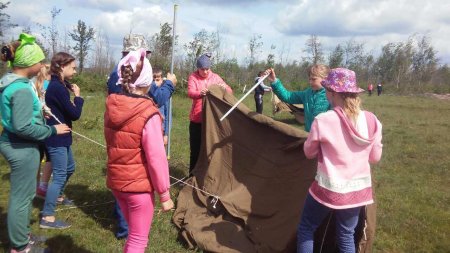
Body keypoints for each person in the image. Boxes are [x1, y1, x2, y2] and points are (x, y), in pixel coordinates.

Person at [297, 68, 383, 253]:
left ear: (333, 92)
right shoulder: (372, 120)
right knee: (346, 235)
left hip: (328, 189)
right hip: (358, 191)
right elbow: (375, 158)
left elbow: (309, 153)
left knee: (306, 228)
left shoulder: (323, 120)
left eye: (327, 88)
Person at [0, 33, 70, 253]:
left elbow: (20, 119)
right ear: (30, 63)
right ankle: (20, 247)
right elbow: (22, 127)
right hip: (21, 148)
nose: (42, 65)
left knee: (25, 194)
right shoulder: (20, 89)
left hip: (18, 144)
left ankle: (22, 236)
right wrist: (51, 129)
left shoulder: (15, 83)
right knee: (22, 199)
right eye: (40, 61)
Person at [104, 48, 174, 253]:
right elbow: (156, 157)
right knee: (138, 240)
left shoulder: (112, 105)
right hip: (138, 187)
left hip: (117, 183)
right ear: (148, 81)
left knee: (133, 236)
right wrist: (164, 194)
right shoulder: (148, 113)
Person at [40, 52, 84, 229]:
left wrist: (69, 87)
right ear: (61, 67)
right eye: (72, 67)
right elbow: (74, 114)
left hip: (62, 136)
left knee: (70, 167)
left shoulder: (59, 83)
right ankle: (47, 217)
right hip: (56, 138)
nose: (74, 71)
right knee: (58, 176)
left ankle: (57, 196)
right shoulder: (57, 87)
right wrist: (78, 97)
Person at [187, 53, 232, 173]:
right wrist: (200, 93)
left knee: (210, 149)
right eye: (202, 69)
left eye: (207, 69)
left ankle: (206, 175)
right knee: (195, 150)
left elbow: (229, 91)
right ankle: (192, 175)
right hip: (197, 120)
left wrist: (223, 88)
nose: (205, 72)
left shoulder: (215, 77)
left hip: (212, 121)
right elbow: (190, 92)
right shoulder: (193, 77)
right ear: (198, 68)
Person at [263, 64, 330, 132]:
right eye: (309, 79)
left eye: (314, 79)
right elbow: (287, 96)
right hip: (309, 137)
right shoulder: (307, 94)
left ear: (325, 78)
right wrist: (274, 81)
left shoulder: (333, 95)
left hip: (328, 139)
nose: (310, 82)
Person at [33, 64, 53, 199]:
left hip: (36, 125)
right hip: (46, 125)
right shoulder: (49, 86)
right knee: (50, 156)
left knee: (37, 157)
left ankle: (34, 187)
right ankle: (43, 187)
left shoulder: (33, 84)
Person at [149, 68, 177, 146]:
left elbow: (168, 115)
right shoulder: (149, 93)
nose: (155, 82)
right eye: (153, 80)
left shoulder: (164, 96)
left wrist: (166, 134)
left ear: (162, 80)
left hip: (161, 129)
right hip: (150, 129)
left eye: (157, 80)